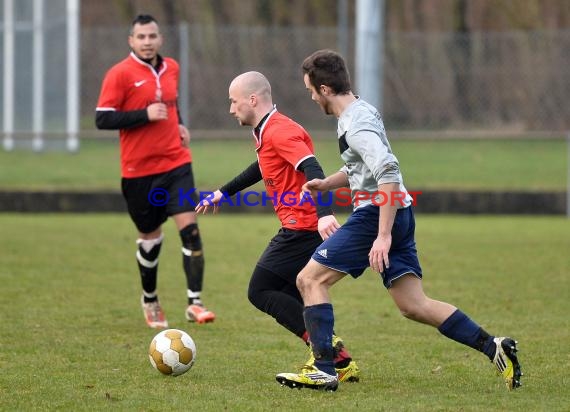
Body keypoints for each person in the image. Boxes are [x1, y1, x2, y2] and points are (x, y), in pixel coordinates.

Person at [275, 49, 523, 392]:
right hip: (399, 210)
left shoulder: (356, 123)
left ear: (326, 89)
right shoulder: (362, 109)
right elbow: (363, 168)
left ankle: (323, 368)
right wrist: (327, 183)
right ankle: (493, 345)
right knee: (413, 305)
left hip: (378, 214)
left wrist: (383, 235)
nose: (312, 97)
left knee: (309, 280)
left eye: (311, 91)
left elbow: (388, 173)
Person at [195, 71, 359, 382]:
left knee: (261, 290)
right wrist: (224, 192)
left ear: (252, 100)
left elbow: (313, 167)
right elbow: (263, 165)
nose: (231, 109)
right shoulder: (268, 130)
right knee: (286, 289)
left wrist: (324, 213)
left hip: (304, 227)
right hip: (302, 225)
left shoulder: (279, 131)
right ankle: (337, 357)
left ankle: (327, 354)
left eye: (234, 101)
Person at [95, 14, 215, 328]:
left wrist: (179, 124)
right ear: (131, 41)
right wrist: (144, 115)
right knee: (150, 239)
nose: (147, 42)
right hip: (138, 172)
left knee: (190, 231)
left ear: (160, 39)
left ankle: (195, 303)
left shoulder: (171, 67)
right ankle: (150, 299)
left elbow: (171, 103)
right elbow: (102, 119)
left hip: (176, 164)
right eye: (141, 37)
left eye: (152, 36)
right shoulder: (119, 74)